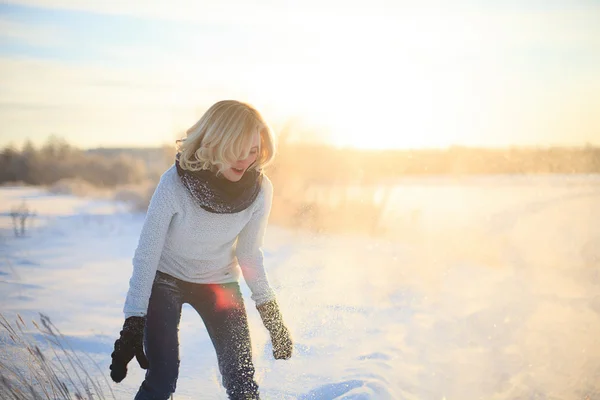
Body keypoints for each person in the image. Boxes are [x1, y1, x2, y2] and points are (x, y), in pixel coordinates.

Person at [109, 100, 293, 400]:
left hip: (219, 283)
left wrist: (269, 311)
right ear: (218, 141)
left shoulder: (260, 190)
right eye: (239, 149)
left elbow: (248, 254)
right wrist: (133, 320)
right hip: (166, 279)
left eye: (254, 151)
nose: (246, 160)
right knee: (162, 378)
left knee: (242, 380)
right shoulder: (174, 183)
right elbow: (147, 253)